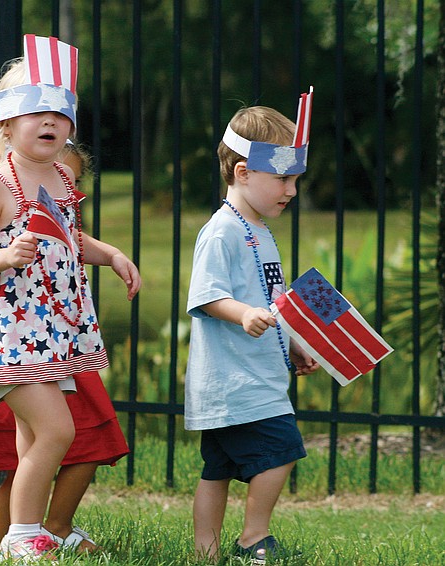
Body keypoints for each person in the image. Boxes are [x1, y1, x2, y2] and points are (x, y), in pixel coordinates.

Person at [0, 35, 140, 562]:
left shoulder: (62, 177)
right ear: (6, 123)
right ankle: (24, 535)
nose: (49, 122)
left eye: (59, 112)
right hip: (9, 334)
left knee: (29, 440)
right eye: (34, 111)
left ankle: (25, 530)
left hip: (55, 331)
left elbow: (68, 239)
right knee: (58, 430)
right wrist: (5, 256)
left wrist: (110, 255)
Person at [184, 89, 319, 564]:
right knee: (282, 449)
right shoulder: (222, 230)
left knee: (216, 471)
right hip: (236, 380)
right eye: (283, 179)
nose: (292, 191)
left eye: (295, 180)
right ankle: (252, 539)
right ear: (243, 172)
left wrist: (295, 341)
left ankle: (205, 553)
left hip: (247, 376)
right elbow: (205, 295)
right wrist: (241, 313)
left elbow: (273, 302)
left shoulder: (259, 230)